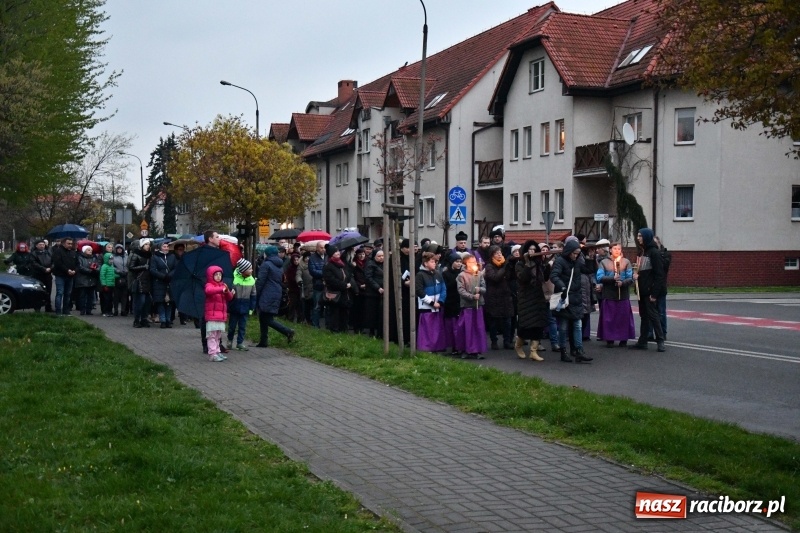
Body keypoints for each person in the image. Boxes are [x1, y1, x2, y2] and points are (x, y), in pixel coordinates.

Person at [550, 240, 593, 363]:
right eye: (574, 253)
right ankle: (563, 351)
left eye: (578, 253)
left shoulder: (577, 262)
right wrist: (562, 287)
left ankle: (579, 351)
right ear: (569, 251)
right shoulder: (560, 261)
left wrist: (590, 257)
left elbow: (589, 270)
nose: (576, 255)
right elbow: (554, 276)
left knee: (578, 325)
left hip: (576, 298)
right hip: (565, 299)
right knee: (563, 327)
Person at [630, 228, 667, 352]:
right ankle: (643, 340)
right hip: (642, 290)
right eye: (638, 235)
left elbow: (659, 275)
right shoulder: (642, 252)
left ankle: (660, 340)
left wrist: (654, 293)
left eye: (640, 236)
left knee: (653, 316)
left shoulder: (654, 253)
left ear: (646, 237)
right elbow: (640, 271)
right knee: (644, 316)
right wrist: (636, 276)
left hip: (650, 291)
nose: (638, 238)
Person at [596, 242, 636, 347]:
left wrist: (622, 283)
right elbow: (599, 277)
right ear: (610, 250)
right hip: (609, 294)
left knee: (623, 318)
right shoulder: (604, 262)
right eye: (614, 248)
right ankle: (610, 338)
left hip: (622, 295)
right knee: (609, 319)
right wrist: (611, 279)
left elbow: (630, 277)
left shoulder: (626, 262)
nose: (617, 250)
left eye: (619, 248)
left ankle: (623, 338)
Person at [514, 240, 549, 361]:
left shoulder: (539, 263)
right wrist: (528, 264)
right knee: (525, 324)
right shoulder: (519, 264)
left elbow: (545, 277)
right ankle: (518, 345)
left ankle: (533, 351)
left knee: (538, 324)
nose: (532, 252)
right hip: (525, 298)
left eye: (534, 250)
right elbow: (523, 278)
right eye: (530, 249)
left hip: (538, 296)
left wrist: (547, 263)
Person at [255, 245, 295, 347]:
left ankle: (287, 331)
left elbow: (261, 281)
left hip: (266, 293)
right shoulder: (279, 265)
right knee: (264, 316)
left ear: (267, 254)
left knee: (267, 319)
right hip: (276, 292)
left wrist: (256, 293)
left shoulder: (266, 264)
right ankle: (263, 340)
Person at [456, 253, 487, 359]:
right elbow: (461, 290)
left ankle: (477, 349)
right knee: (467, 328)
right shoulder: (461, 275)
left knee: (477, 328)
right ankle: (466, 349)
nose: (474, 264)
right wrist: (472, 296)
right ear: (466, 263)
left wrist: (480, 290)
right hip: (467, 306)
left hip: (478, 306)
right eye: (471, 262)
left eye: (475, 262)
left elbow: (484, 287)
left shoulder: (479, 274)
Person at [483, 245, 514, 350]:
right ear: (492, 255)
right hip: (493, 297)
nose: (499, 255)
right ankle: (494, 341)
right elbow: (495, 278)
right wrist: (505, 267)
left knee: (507, 321)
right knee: (493, 322)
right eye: (496, 253)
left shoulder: (505, 264)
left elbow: (510, 277)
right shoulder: (489, 266)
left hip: (505, 296)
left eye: (500, 253)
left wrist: (509, 267)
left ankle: (507, 341)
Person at [415, 251, 447, 352]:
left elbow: (443, 288)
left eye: (435, 262)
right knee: (427, 329)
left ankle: (438, 346)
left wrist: (441, 301)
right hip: (426, 307)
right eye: (432, 262)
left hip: (438, 306)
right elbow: (419, 291)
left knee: (437, 328)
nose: (435, 264)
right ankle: (426, 348)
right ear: (425, 263)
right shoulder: (420, 275)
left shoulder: (437, 273)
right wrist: (432, 303)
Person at [204, 265, 234, 362]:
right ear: (210, 276)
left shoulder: (223, 285)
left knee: (218, 336)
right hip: (212, 316)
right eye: (216, 275)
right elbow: (209, 291)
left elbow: (229, 298)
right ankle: (212, 353)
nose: (218, 276)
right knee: (211, 336)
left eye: (220, 274)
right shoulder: (209, 285)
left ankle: (217, 351)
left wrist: (228, 292)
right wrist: (221, 289)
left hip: (221, 316)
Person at [322, 244, 354, 333]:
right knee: (335, 313)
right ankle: (335, 331)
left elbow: (347, 275)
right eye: (335, 252)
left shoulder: (341, 264)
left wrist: (349, 282)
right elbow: (331, 280)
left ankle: (343, 330)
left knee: (344, 313)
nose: (338, 253)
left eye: (338, 251)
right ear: (331, 254)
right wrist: (344, 285)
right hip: (334, 294)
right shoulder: (328, 266)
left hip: (344, 294)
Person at [227, 258, 257, 351]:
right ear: (243, 270)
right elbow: (228, 294)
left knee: (242, 326)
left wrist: (251, 308)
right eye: (250, 269)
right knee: (232, 326)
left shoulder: (251, 280)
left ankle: (240, 342)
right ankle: (229, 340)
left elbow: (253, 295)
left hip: (245, 306)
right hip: (234, 306)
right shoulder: (234, 279)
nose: (252, 270)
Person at [441, 252, 464, 355]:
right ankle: (454, 346)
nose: (459, 264)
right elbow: (446, 287)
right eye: (456, 262)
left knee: (460, 326)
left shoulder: (463, 273)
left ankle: (461, 346)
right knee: (452, 327)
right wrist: (456, 280)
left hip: (461, 301)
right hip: (450, 302)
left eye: (460, 262)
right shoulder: (446, 274)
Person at [149, 241, 176, 328]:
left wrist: (170, 275)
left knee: (169, 302)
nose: (166, 248)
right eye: (164, 246)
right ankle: (163, 320)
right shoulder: (155, 257)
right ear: (160, 247)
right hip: (159, 282)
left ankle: (168, 320)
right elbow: (153, 269)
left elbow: (176, 268)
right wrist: (163, 276)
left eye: (167, 246)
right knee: (160, 302)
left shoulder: (172, 256)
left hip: (170, 282)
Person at [648, 236, 671, 340]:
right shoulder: (648, 253)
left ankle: (662, 333)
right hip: (650, 287)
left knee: (661, 312)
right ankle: (649, 333)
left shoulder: (665, 254)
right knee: (650, 313)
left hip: (660, 288)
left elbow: (663, 268)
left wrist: (657, 256)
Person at [128, 239, 153, 328]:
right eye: (146, 244)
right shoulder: (136, 254)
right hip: (139, 281)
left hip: (148, 281)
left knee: (147, 302)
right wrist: (143, 267)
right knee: (140, 302)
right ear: (142, 245)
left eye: (149, 244)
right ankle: (136, 320)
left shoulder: (150, 255)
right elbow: (131, 267)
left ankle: (144, 319)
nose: (148, 246)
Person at [51, 238, 78, 316]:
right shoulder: (58, 252)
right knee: (60, 293)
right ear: (63, 243)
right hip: (60, 275)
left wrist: (75, 271)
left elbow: (77, 263)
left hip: (70, 276)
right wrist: (67, 270)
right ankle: (58, 311)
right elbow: (58, 263)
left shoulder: (73, 252)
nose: (70, 245)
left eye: (71, 243)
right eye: (68, 243)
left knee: (68, 293)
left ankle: (66, 310)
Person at [363, 248, 385, 338]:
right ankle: (371, 331)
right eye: (379, 256)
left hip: (383, 291)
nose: (381, 258)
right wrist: (378, 288)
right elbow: (369, 278)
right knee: (372, 313)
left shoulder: (385, 265)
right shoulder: (370, 264)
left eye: (382, 256)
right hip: (372, 293)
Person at [30, 239, 54, 312]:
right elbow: (34, 263)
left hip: (48, 275)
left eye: (43, 244)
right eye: (40, 245)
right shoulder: (33, 254)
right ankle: (37, 307)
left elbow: (54, 261)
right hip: (38, 275)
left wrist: (51, 268)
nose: (42, 246)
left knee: (48, 291)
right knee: (38, 291)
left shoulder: (49, 252)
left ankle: (48, 307)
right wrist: (44, 269)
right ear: (36, 246)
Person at [75, 245, 99, 315]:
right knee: (82, 295)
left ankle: (89, 310)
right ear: (84, 251)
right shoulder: (80, 257)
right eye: (88, 250)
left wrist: (95, 269)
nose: (90, 251)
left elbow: (97, 265)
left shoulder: (94, 258)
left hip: (92, 279)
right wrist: (89, 271)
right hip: (83, 279)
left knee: (90, 296)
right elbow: (80, 267)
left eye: (91, 250)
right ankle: (82, 309)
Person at [350, 247, 369, 333]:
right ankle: (356, 328)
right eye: (360, 254)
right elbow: (352, 277)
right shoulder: (353, 264)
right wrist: (359, 285)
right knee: (356, 309)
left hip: (365, 288)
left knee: (364, 309)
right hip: (357, 289)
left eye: (363, 254)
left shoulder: (367, 263)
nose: (362, 256)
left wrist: (366, 284)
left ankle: (362, 327)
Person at [309, 241, 326, 327]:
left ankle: (328, 326)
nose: (323, 249)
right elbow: (313, 271)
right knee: (317, 306)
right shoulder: (312, 258)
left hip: (327, 285)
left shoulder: (327, 257)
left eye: (324, 247)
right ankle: (315, 325)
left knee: (327, 307)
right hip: (318, 285)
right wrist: (325, 273)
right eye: (321, 247)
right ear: (317, 248)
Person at [111, 244, 128, 316]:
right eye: (118, 249)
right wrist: (118, 271)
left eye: (120, 249)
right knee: (116, 295)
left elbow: (129, 265)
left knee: (124, 295)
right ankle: (115, 310)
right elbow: (111, 266)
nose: (119, 250)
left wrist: (126, 271)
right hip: (117, 277)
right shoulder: (113, 257)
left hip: (126, 277)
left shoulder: (126, 257)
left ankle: (123, 310)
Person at [297, 251, 314, 325]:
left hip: (314, 287)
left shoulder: (313, 265)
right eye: (306, 257)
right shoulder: (301, 266)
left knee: (314, 306)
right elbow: (298, 274)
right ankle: (307, 320)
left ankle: (313, 320)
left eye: (309, 257)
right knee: (306, 306)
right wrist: (299, 280)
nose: (308, 259)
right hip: (306, 288)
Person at [99, 252, 117, 316]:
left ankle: (110, 311)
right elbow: (102, 276)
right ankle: (105, 311)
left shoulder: (111, 266)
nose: (111, 260)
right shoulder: (104, 266)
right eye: (110, 259)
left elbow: (113, 274)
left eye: (112, 259)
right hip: (106, 285)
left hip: (112, 285)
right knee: (106, 299)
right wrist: (104, 284)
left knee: (110, 299)